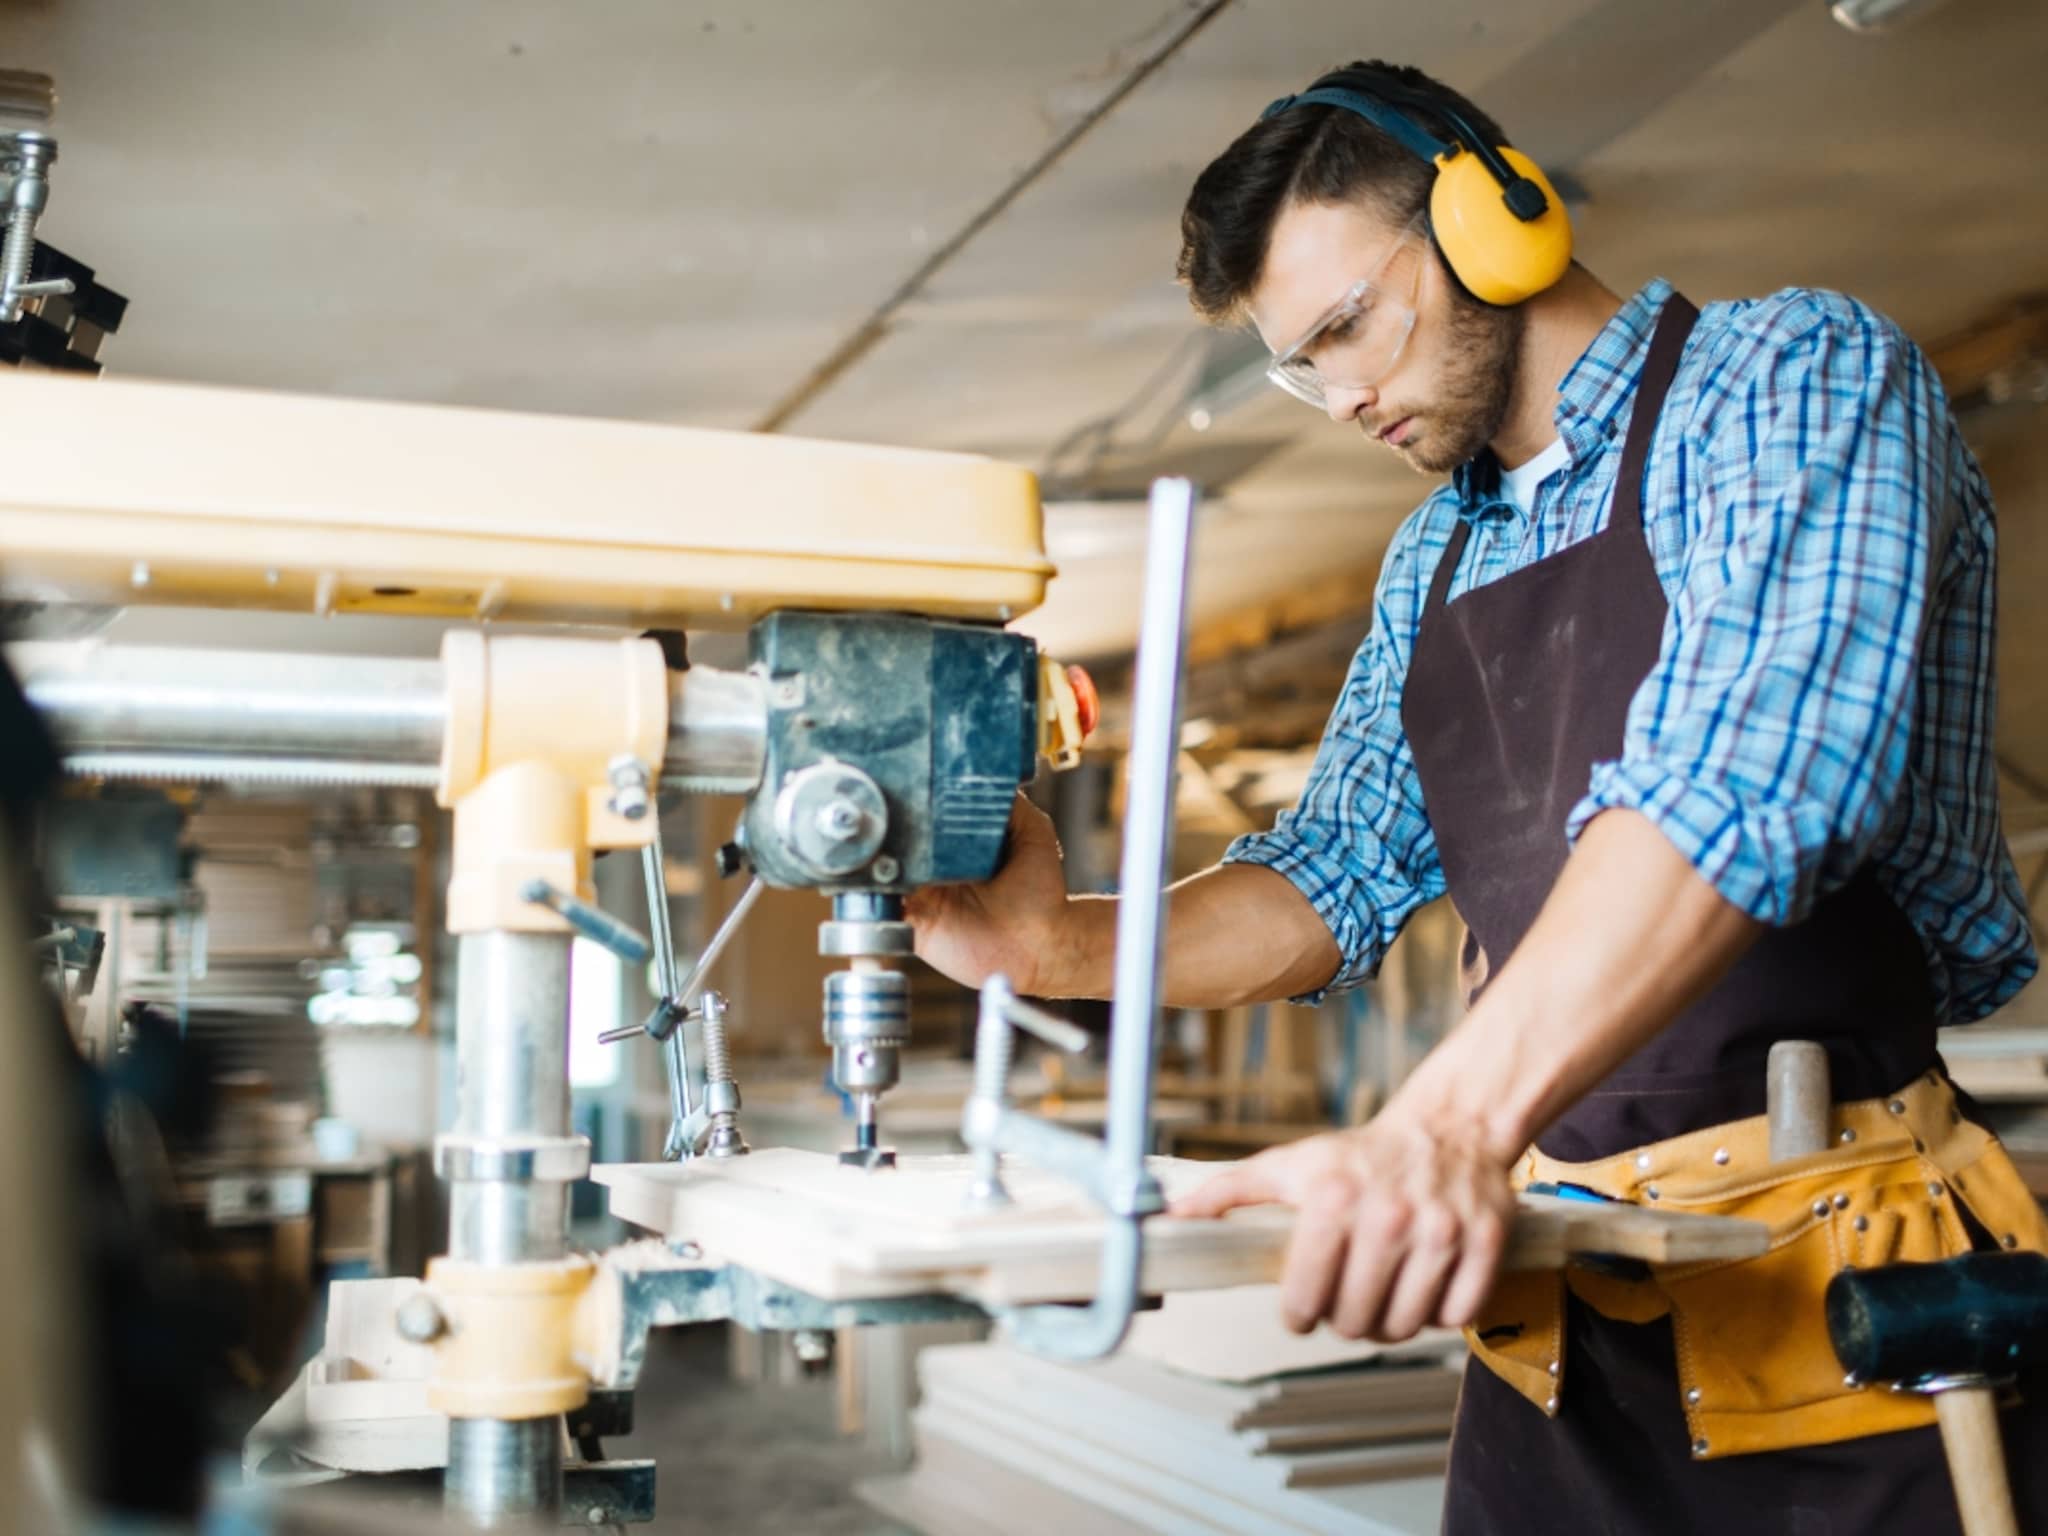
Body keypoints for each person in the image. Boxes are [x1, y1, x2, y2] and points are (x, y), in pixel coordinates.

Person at [908, 59, 2048, 1534]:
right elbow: (1330, 875)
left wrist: (1438, 1129)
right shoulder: (1433, 558)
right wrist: (1057, 946)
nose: (1341, 397)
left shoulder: (1791, 379)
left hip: (1846, 1303)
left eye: (1346, 327)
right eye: (1299, 367)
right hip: (1558, 1320)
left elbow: (1751, 780)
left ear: (1492, 218)